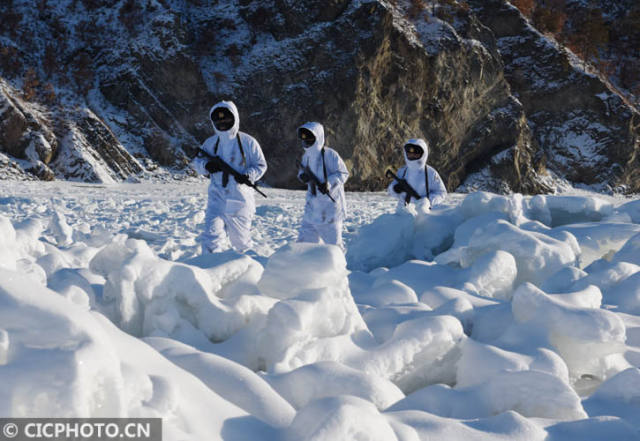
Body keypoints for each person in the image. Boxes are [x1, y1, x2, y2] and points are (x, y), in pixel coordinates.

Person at [192, 100, 267, 254]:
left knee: (241, 242)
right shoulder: (210, 143)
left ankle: (249, 271)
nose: (222, 122)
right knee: (211, 238)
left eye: (226, 118)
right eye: (218, 120)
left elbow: (260, 165)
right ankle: (210, 270)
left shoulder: (248, 142)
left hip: (239, 200)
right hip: (216, 198)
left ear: (234, 118)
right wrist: (206, 166)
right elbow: (197, 161)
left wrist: (248, 175)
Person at [296, 122, 349, 250]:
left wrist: (328, 183)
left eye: (309, 138)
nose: (306, 141)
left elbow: (343, 173)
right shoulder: (306, 156)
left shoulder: (330, 155)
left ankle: (340, 269)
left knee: (334, 248)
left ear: (317, 137)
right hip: (312, 209)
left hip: (329, 211)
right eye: (303, 138)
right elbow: (302, 171)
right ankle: (305, 268)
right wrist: (302, 176)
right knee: (304, 246)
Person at [388, 138, 447, 212]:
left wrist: (427, 202)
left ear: (423, 153)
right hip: (403, 213)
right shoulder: (402, 171)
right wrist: (395, 189)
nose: (412, 155)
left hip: (423, 215)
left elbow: (441, 193)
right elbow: (391, 191)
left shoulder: (431, 173)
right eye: (409, 153)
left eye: (416, 153)